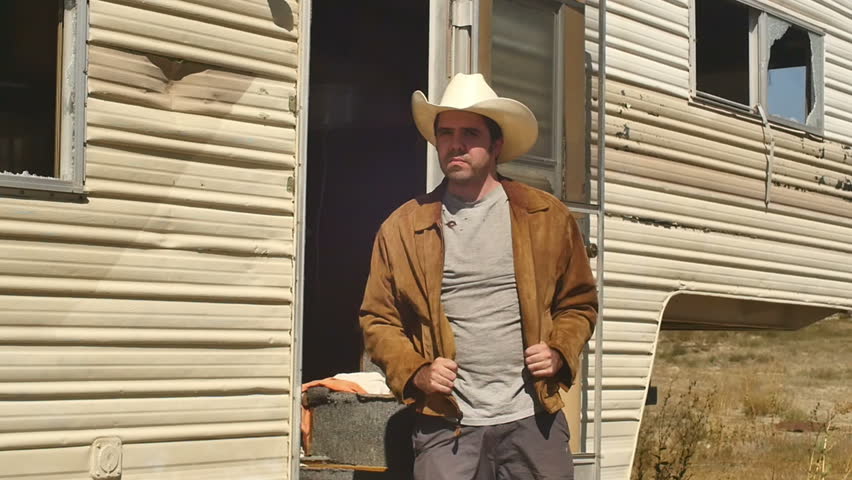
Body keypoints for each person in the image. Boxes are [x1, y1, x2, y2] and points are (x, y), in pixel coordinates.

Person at [359, 73, 598, 480]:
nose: (456, 143)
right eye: (446, 133)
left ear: (496, 144)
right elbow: (378, 320)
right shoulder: (402, 228)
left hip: (533, 419)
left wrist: (558, 349)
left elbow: (578, 303)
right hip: (446, 423)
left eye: (470, 133)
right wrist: (417, 370)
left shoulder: (545, 216)